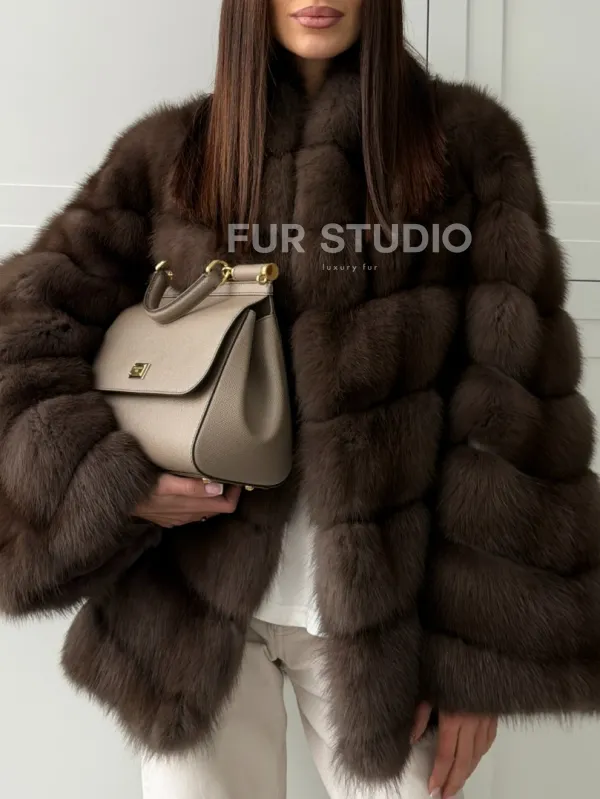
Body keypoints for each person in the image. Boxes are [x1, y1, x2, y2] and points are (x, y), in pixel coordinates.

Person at [0, 1, 598, 797]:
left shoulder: (470, 148)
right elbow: (27, 335)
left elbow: (514, 414)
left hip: (390, 632)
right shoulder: (171, 153)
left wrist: (481, 663)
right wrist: (117, 485)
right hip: (190, 616)